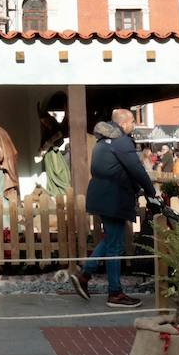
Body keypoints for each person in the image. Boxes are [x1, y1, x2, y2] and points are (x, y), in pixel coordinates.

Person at [68, 109, 155, 307]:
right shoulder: (121, 141)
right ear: (123, 124)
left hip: (101, 195)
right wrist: (151, 191)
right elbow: (136, 169)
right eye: (133, 121)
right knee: (115, 245)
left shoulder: (102, 142)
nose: (134, 125)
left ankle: (85, 275)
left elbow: (116, 169)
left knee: (111, 240)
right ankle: (114, 292)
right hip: (114, 197)